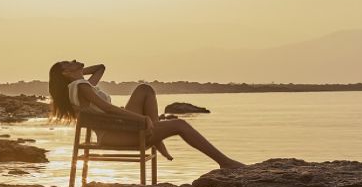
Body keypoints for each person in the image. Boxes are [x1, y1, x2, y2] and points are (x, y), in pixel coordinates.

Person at [49, 59, 245, 169]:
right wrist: (142, 118)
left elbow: (101, 67)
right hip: (115, 134)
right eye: (69, 62)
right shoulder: (82, 86)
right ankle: (225, 162)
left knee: (144, 89)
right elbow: (108, 109)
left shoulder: (79, 86)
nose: (75, 60)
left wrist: (77, 69)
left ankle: (158, 138)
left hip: (115, 129)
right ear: (65, 74)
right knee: (180, 125)